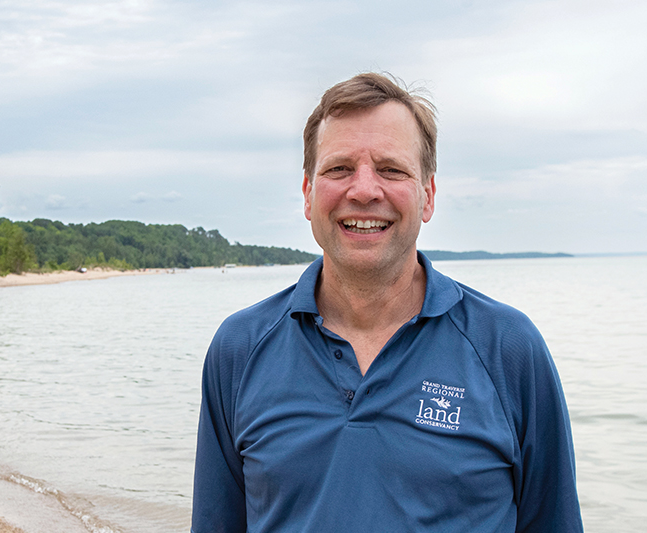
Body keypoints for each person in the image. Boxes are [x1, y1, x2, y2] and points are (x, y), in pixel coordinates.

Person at [192, 73, 583, 532]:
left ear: (428, 196)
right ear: (307, 193)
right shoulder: (240, 349)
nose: (364, 190)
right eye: (338, 169)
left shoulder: (509, 349)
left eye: (391, 170)